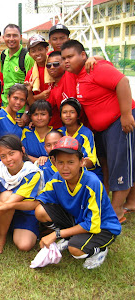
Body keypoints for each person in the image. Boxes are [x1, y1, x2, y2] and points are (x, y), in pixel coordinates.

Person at [0, 136, 122, 269]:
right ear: (54, 162)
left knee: (75, 250)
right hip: (79, 220)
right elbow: (36, 203)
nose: (65, 168)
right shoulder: (57, 179)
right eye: (60, 162)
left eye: (70, 162)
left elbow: (92, 224)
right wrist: (8, 205)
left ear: (82, 162)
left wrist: (56, 234)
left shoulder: (92, 183)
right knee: (41, 211)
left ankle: (99, 249)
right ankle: (70, 236)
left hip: (102, 228)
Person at [61, 39, 135, 222]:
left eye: (70, 56)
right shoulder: (80, 73)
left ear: (83, 55)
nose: (66, 61)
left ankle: (117, 212)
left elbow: (123, 82)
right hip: (105, 129)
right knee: (110, 164)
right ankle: (115, 204)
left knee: (122, 165)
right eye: (64, 58)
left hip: (119, 122)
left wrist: (126, 115)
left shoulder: (95, 68)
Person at [58, 97, 103, 182]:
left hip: (86, 172)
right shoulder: (59, 132)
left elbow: (91, 160)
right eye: (64, 112)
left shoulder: (86, 133)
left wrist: (74, 164)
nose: (68, 115)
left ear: (78, 115)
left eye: (72, 112)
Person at [0, 24, 34, 115]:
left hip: (21, 109)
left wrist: (26, 112)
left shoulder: (27, 57)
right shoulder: (3, 55)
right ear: (3, 38)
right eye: (8, 35)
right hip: (5, 107)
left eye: (15, 35)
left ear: (21, 37)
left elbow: (31, 88)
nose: (11, 39)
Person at [25, 34, 53, 101]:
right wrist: (40, 96)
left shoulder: (54, 67)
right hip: (40, 109)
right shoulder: (30, 74)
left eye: (40, 49)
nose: (37, 53)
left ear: (46, 49)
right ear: (30, 54)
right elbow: (26, 99)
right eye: (33, 51)